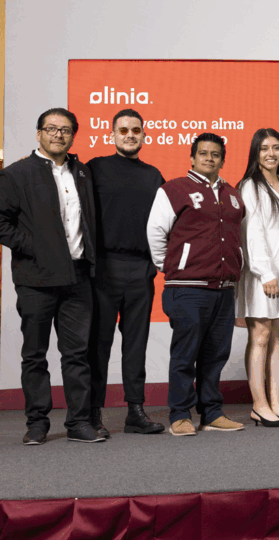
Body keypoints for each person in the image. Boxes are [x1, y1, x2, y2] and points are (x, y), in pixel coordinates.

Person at [0, 108, 103, 445]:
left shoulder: (83, 173)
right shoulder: (17, 174)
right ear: (39, 134)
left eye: (65, 130)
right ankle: (37, 423)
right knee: (34, 354)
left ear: (73, 136)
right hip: (36, 279)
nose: (58, 134)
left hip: (78, 277)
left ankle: (79, 422)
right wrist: (33, 246)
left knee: (77, 355)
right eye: (51, 128)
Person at [146, 133, 246, 436]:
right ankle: (179, 414)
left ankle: (211, 412)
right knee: (185, 354)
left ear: (222, 160)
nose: (209, 158)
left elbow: (238, 236)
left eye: (215, 154)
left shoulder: (232, 194)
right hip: (187, 288)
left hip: (223, 289)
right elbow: (155, 232)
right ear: (192, 157)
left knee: (216, 355)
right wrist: (173, 267)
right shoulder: (174, 189)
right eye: (203, 153)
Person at [86, 109, 166, 438]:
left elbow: (165, 224)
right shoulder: (94, 168)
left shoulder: (153, 175)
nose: (130, 135)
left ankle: (135, 412)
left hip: (141, 270)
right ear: (112, 135)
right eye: (123, 130)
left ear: (144, 135)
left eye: (135, 130)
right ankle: (92, 413)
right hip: (103, 269)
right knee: (98, 345)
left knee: (136, 345)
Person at [236, 129, 279, 428]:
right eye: (264, 148)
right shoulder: (250, 186)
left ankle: (276, 403)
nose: (271, 154)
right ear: (255, 152)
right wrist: (265, 273)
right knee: (260, 335)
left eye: (276, 147)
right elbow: (251, 233)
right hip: (262, 272)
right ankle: (259, 405)